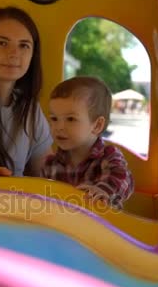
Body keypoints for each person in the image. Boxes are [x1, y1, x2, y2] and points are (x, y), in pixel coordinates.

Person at [0, 6, 53, 190]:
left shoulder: (31, 110)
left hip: (15, 213)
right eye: (2, 43)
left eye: (24, 45)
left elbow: (49, 175)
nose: (14, 53)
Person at [41, 76, 135, 210]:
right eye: (54, 119)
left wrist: (104, 191)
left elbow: (124, 179)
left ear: (97, 125)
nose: (59, 127)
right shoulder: (50, 164)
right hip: (64, 227)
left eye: (71, 119)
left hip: (102, 226)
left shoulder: (108, 157)